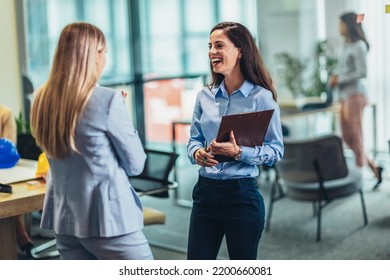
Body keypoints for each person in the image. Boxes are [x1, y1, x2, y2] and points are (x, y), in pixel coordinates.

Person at [30, 22, 153, 260]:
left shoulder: (40, 98)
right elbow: (136, 164)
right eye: (103, 52)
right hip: (107, 221)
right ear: (93, 56)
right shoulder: (107, 100)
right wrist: (120, 113)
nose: (105, 58)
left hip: (65, 220)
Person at [186, 22, 284, 260]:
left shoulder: (261, 98)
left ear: (239, 50)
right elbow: (193, 141)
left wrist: (239, 152)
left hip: (241, 195)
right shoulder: (204, 96)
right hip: (205, 194)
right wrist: (197, 153)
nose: (211, 52)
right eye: (210, 46)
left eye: (219, 45)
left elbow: (276, 150)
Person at [329, 12, 383, 190]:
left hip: (355, 96)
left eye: (340, 24)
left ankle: (359, 178)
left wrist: (340, 78)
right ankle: (374, 168)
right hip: (344, 96)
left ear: (348, 25)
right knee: (348, 138)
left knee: (355, 136)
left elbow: (362, 72)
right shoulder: (346, 45)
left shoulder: (359, 45)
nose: (338, 27)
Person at [0, 104, 35, 258]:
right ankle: (23, 239)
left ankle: (20, 239)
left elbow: (9, 148)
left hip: (6, 169)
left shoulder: (5, 114)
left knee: (8, 198)